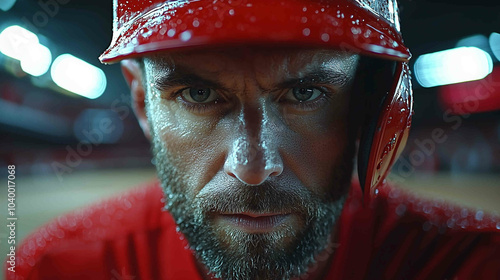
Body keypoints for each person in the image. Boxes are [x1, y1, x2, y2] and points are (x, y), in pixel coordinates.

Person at [6, 0, 500, 279]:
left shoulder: (475, 265)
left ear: (371, 102)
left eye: (306, 92)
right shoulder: (57, 270)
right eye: (198, 93)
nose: (253, 166)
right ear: (141, 103)